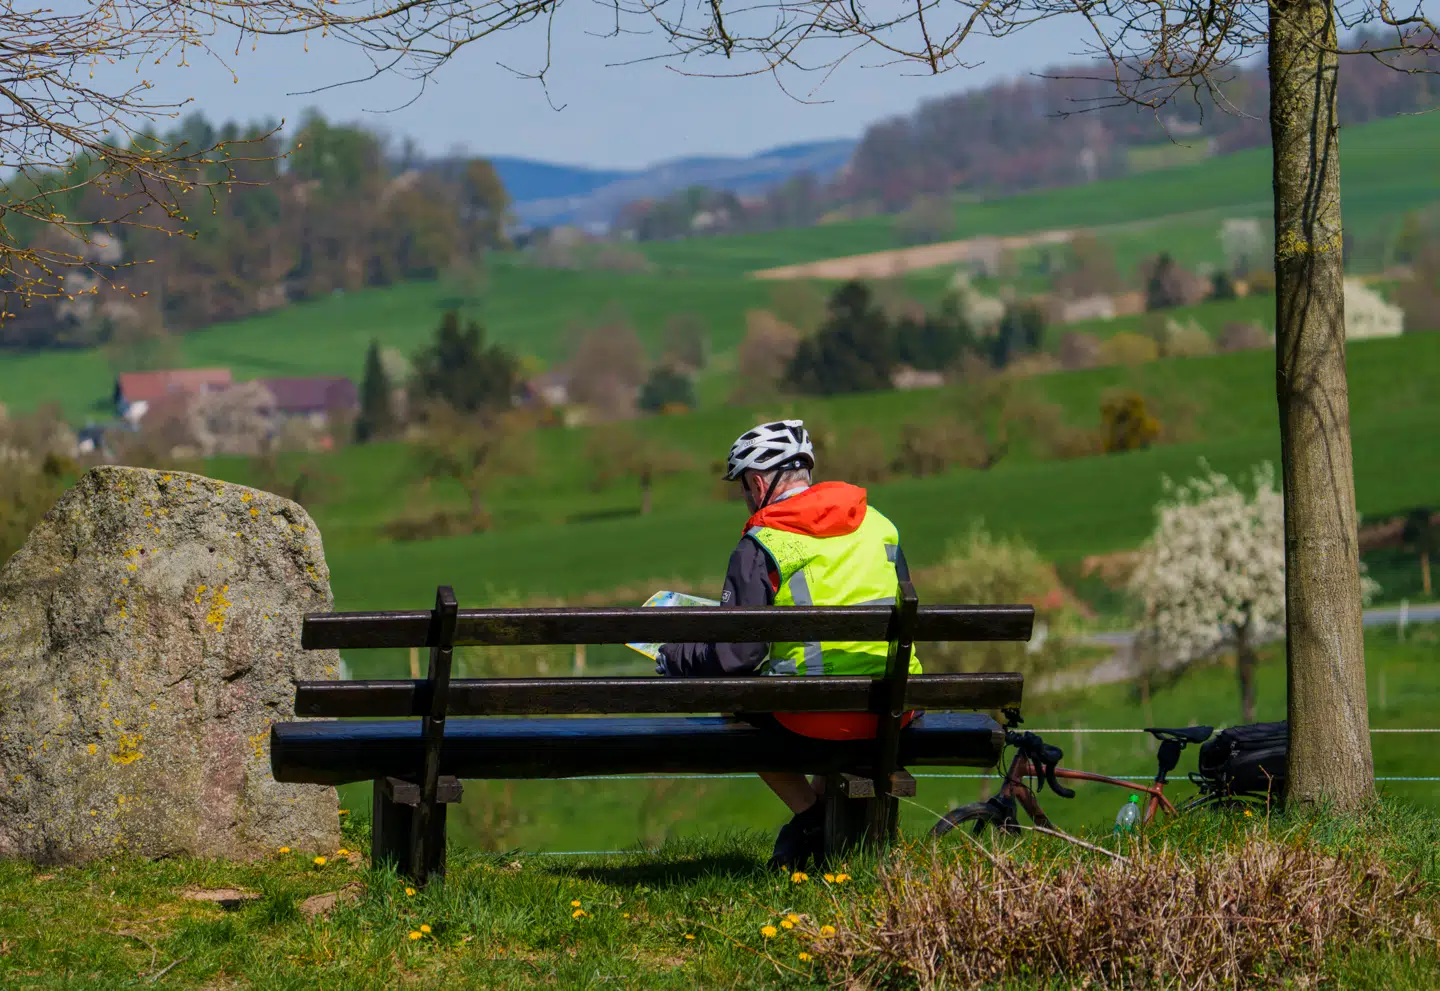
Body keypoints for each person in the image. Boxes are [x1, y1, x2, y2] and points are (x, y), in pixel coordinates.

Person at [655, 419, 921, 869]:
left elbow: (736, 658)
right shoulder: (880, 525)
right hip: (895, 710)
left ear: (759, 483)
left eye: (743, 487)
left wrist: (672, 655)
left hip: (817, 717)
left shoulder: (763, 544)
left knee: (738, 704)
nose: (744, 498)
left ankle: (811, 815)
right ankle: (832, 841)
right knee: (824, 685)